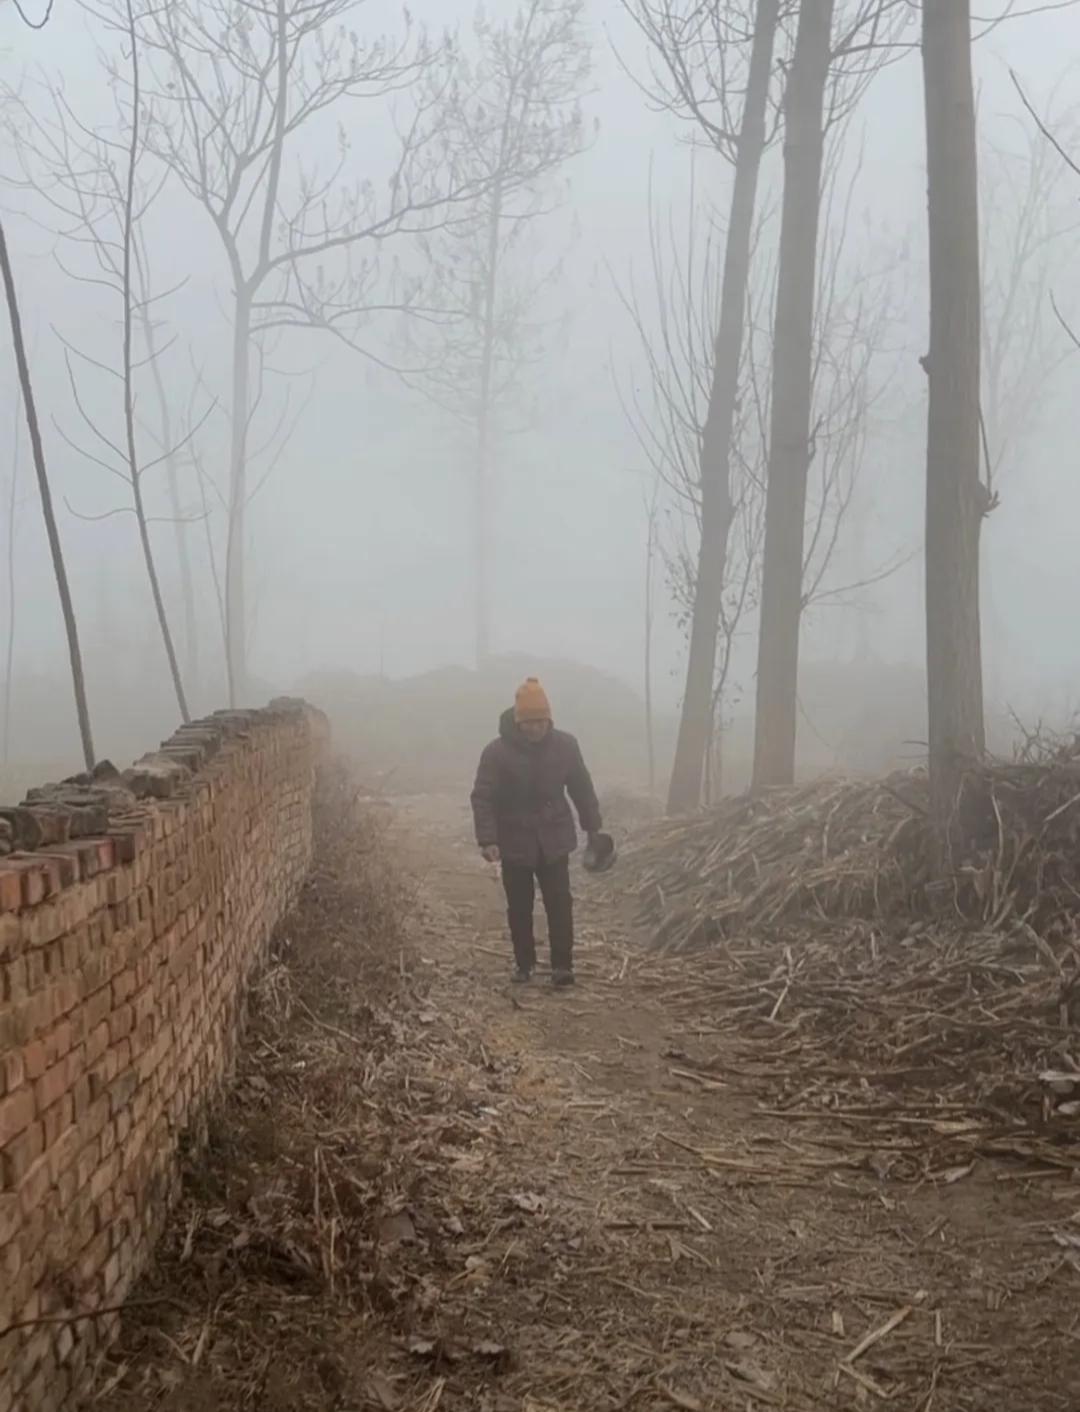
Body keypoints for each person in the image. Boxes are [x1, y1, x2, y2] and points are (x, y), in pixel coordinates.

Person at [471, 677, 603, 987]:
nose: (535, 728)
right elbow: (482, 797)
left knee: (559, 903)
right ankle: (524, 964)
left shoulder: (566, 746)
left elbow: (582, 788)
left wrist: (593, 827)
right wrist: (488, 839)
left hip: (554, 839)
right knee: (520, 906)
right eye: (529, 722)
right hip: (514, 840)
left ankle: (562, 966)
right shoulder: (496, 752)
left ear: (549, 719)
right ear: (518, 722)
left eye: (541, 721)